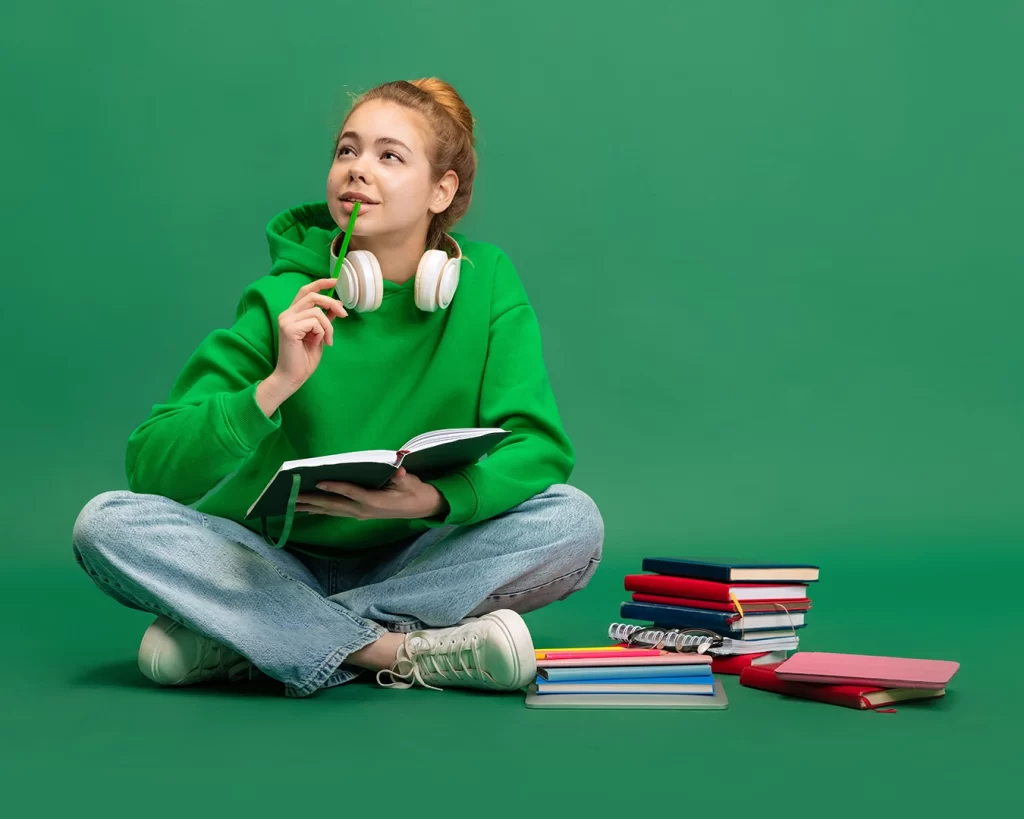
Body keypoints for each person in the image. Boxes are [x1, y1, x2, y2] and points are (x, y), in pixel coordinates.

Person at [71, 78, 604, 698]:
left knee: (572, 520)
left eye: (388, 155)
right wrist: (275, 385)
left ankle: (253, 637)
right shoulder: (282, 301)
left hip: (414, 558)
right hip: (269, 560)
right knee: (105, 523)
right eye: (346, 151)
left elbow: (538, 446)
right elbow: (152, 469)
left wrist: (430, 500)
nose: (357, 170)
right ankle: (396, 651)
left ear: (442, 190)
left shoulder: (488, 287)